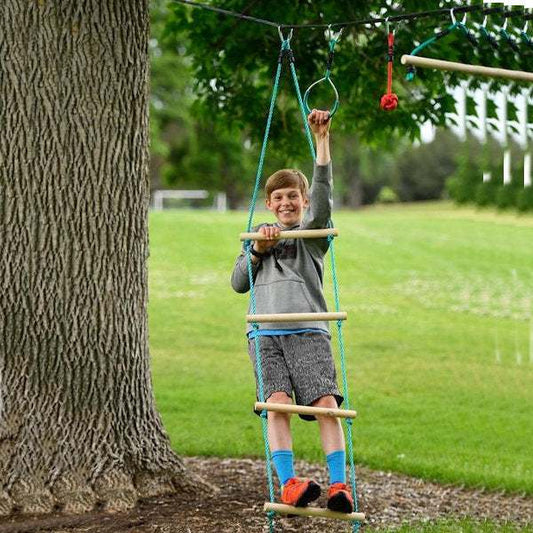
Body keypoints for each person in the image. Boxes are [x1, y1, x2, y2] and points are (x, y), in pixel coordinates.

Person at [231, 109, 353, 513]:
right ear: (269, 203)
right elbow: (237, 282)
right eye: (278, 198)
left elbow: (323, 201)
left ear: (302, 203)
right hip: (264, 333)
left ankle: (339, 485)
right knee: (276, 403)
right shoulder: (255, 239)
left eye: (293, 197)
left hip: (307, 330)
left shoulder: (312, 235)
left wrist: (322, 142)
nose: (286, 203)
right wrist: (257, 251)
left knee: (324, 404)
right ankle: (288, 484)